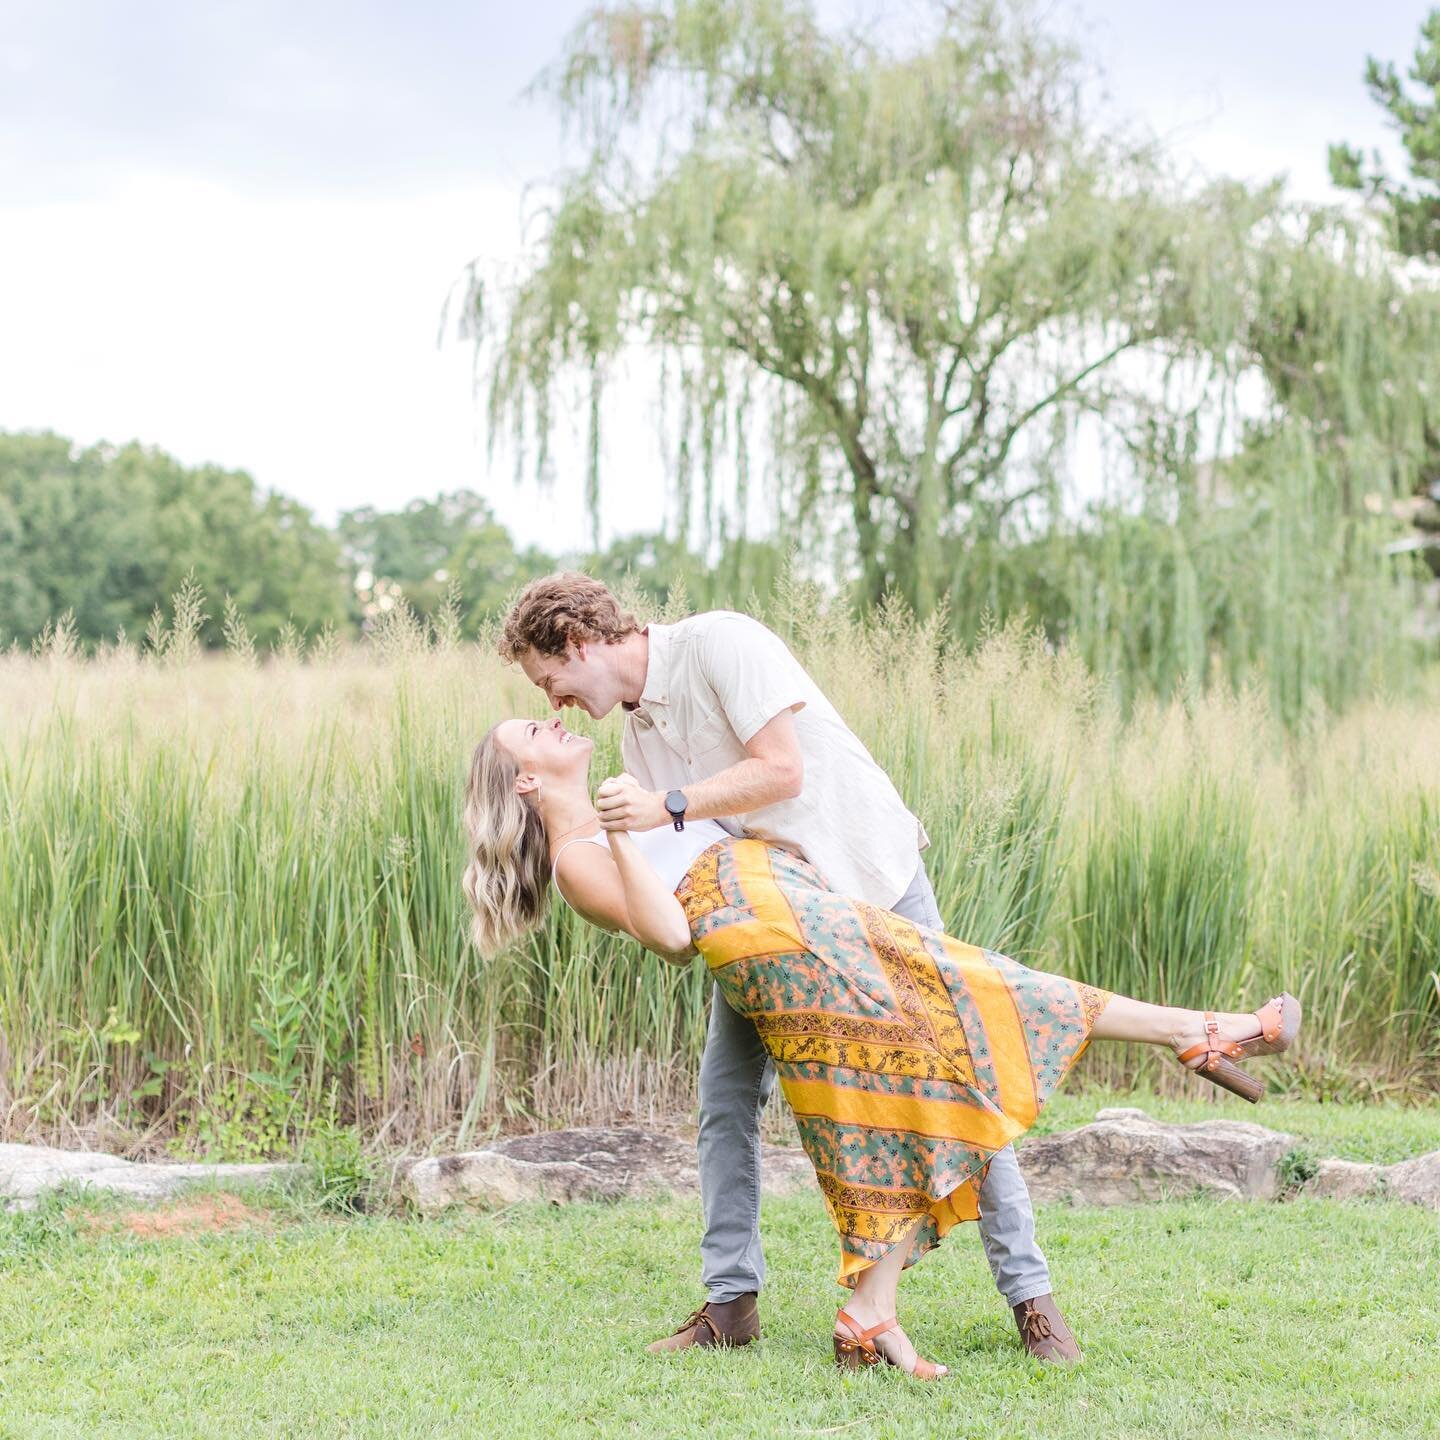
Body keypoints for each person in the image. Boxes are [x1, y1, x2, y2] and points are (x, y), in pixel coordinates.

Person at [461, 714, 1300, 1379]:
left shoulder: (628, 787)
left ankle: (870, 1314)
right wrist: (619, 830)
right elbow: (674, 934)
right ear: (529, 780)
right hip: (780, 943)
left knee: (916, 1080)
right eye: (533, 733)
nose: (554, 721)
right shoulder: (578, 855)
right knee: (972, 993)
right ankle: (1200, 1030)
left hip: (790, 907)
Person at [497, 573, 1082, 1360]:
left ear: (577, 642)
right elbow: (700, 864)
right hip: (781, 926)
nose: (556, 701)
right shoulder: (638, 740)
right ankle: (730, 1304)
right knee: (724, 1098)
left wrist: (667, 805)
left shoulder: (719, 643)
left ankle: (1032, 1301)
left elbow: (782, 772)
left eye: (549, 680)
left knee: (959, 1067)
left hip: (872, 880)